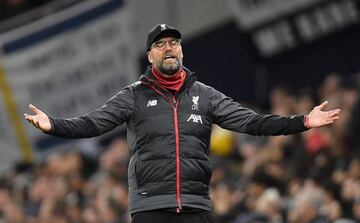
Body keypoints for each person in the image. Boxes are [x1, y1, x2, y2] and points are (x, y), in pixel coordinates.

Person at [24, 24, 340, 223]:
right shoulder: (133, 96)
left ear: (182, 50)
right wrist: (54, 124)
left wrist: (303, 121)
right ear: (150, 57)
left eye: (174, 42)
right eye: (160, 45)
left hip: (195, 203)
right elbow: (92, 124)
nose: (169, 48)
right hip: (150, 206)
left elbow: (252, 122)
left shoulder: (206, 96)